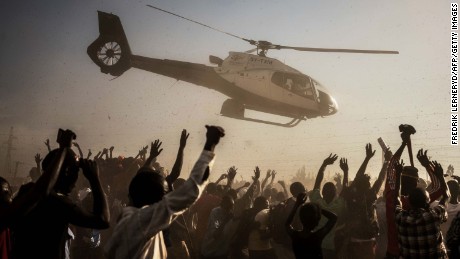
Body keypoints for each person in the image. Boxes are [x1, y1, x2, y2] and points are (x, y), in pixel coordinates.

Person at [104, 125, 225, 259]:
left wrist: (150, 158)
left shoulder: (129, 217)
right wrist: (210, 146)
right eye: (163, 194)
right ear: (155, 199)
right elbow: (190, 191)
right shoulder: (146, 220)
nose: (166, 196)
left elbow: (142, 180)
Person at [12, 129, 110, 259]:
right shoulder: (58, 203)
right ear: (67, 172)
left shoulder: (27, 191)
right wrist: (94, 178)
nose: (76, 180)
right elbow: (102, 220)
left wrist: (63, 149)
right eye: (76, 173)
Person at [395, 160, 449, 258]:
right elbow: (446, 195)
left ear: (409, 201)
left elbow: (396, 198)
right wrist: (439, 175)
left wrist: (398, 174)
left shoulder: (400, 217)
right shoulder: (434, 215)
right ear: (428, 202)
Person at [309, 154, 347, 259]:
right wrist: (345, 171)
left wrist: (324, 164)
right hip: (333, 246)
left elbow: (317, 182)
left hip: (317, 244)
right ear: (336, 193)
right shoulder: (339, 204)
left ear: (322, 192)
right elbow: (345, 187)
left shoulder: (317, 201)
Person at [285, 193, 337, 259]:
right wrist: (318, 209)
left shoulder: (295, 236)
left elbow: (287, 224)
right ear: (316, 223)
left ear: (301, 219)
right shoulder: (317, 237)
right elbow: (333, 218)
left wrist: (297, 204)